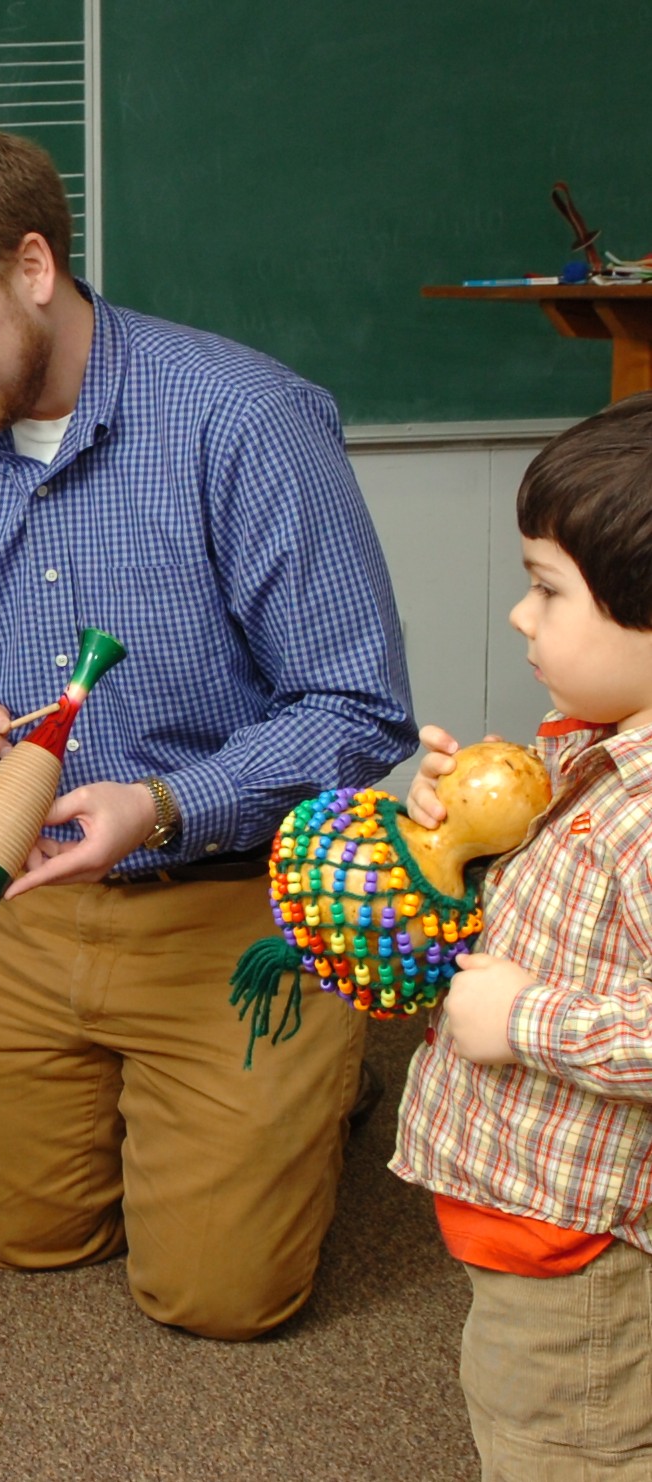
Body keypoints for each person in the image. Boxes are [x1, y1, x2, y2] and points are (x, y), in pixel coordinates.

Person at [0, 123, 417, 1340]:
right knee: (18, 1240)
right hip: (22, 896)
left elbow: (360, 712)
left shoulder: (245, 421)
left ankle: (323, 1060)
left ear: (32, 267)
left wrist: (167, 801)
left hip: (232, 901)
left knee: (220, 1299)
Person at [392, 392, 652, 1478]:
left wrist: (525, 1020)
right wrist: (467, 841)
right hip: (532, 1228)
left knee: (562, 1449)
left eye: (547, 589)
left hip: (584, 1256)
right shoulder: (598, 753)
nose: (519, 616)